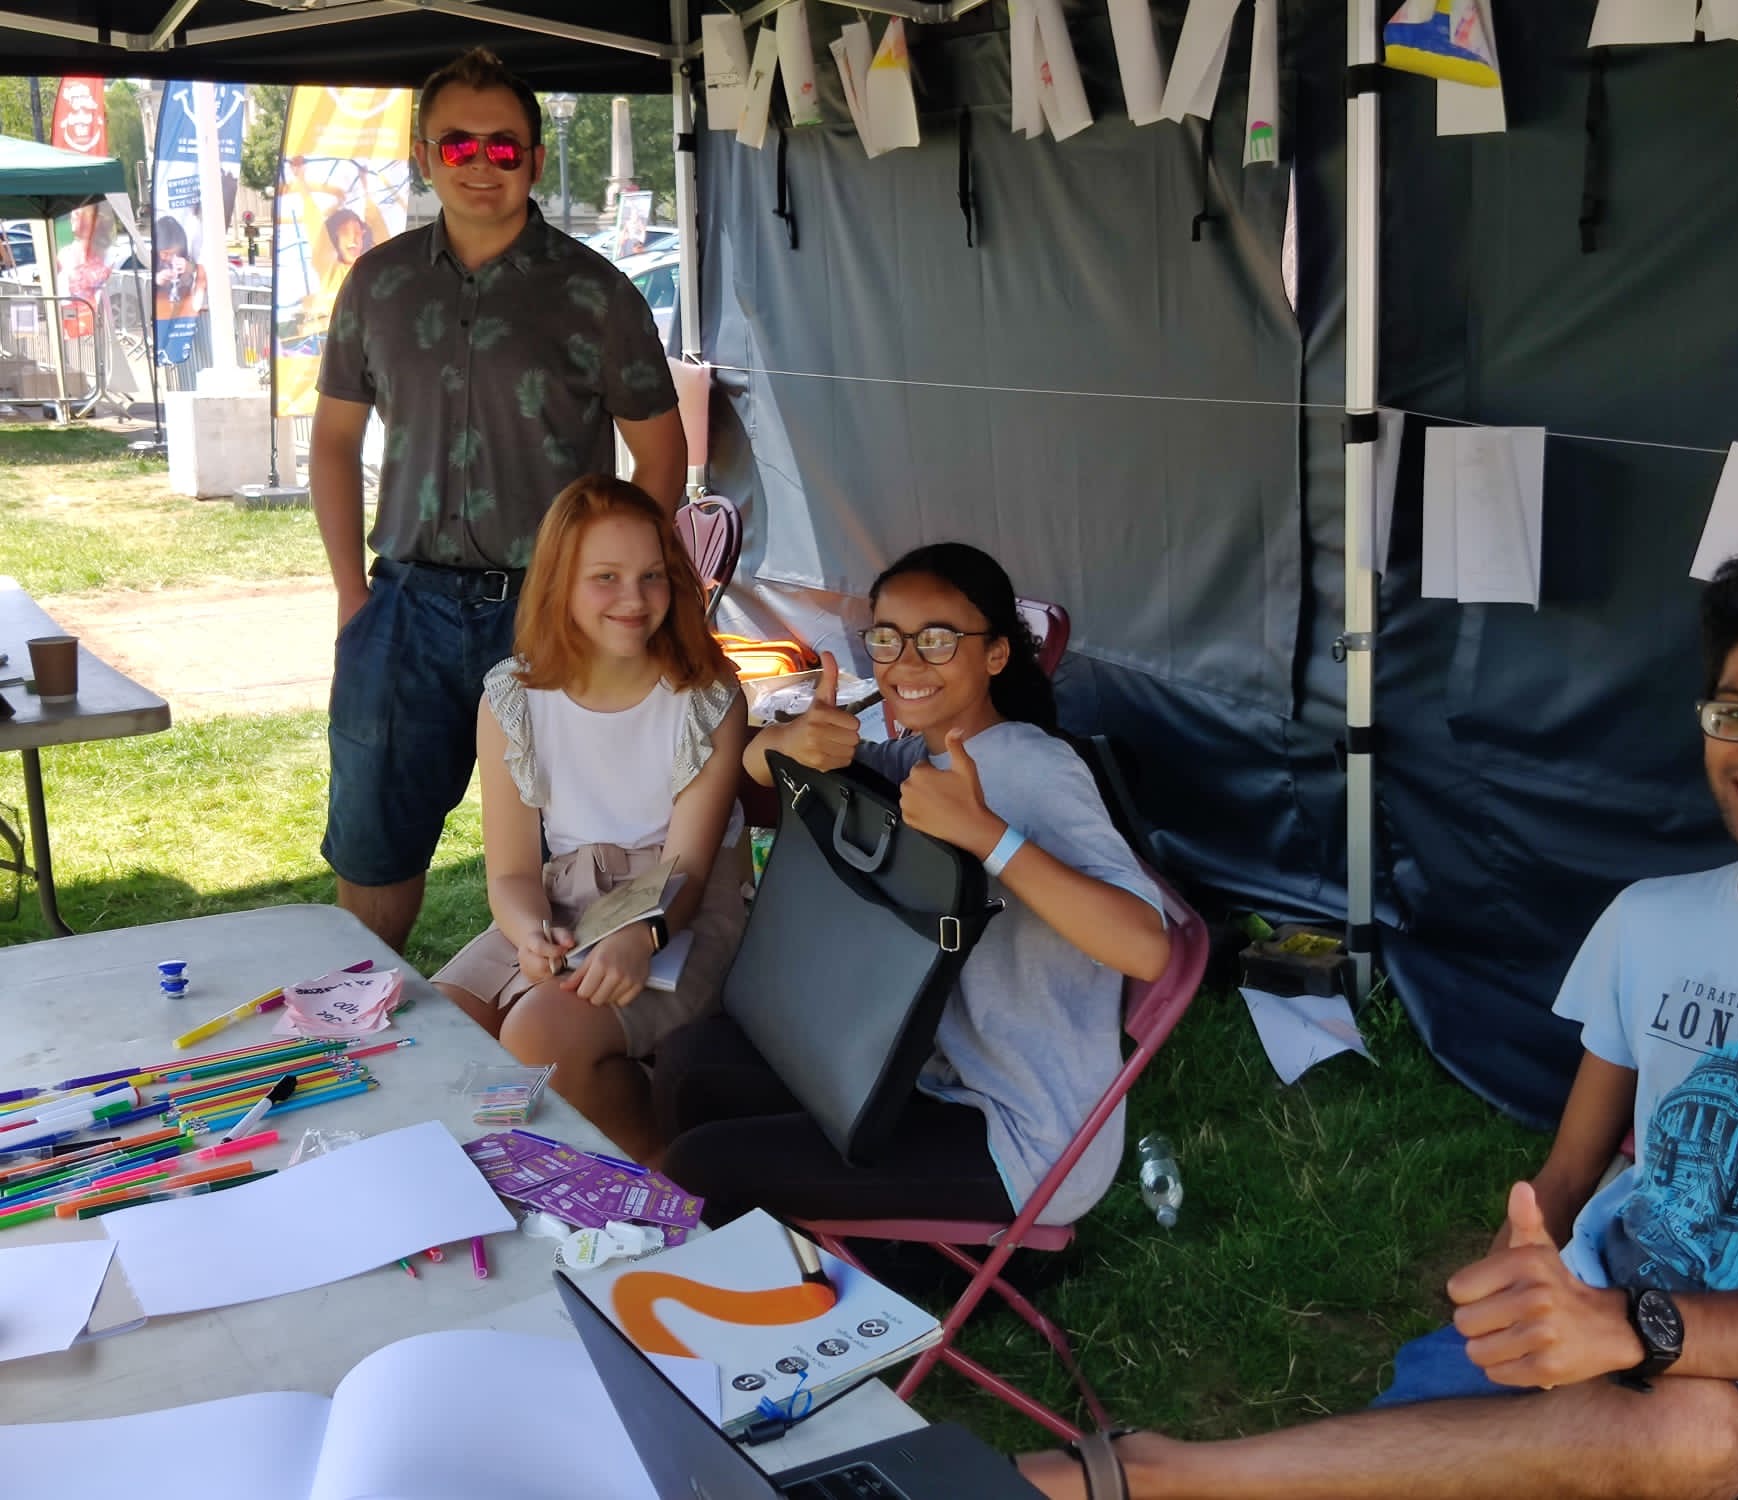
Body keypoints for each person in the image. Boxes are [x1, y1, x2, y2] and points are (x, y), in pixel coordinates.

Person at [1020, 528, 1738, 1500]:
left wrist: (1625, 1328)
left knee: (1687, 1423)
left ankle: (1157, 1477)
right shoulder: (1649, 922)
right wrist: (1510, 1285)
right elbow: (1570, 1171)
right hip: (1579, 1333)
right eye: (1737, 713)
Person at [649, 541, 1170, 1225]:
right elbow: (760, 771)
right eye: (889, 639)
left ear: (995, 655)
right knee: (690, 1061)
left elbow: (1146, 949)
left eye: (937, 640)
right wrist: (788, 742)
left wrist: (990, 838)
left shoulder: (1037, 770)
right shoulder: (915, 757)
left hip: (1022, 1136)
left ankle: (817, 1301)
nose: (906, 664)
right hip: (916, 1067)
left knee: (702, 1169)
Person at [311, 46, 688, 954]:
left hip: (552, 611)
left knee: (579, 850)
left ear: (536, 158)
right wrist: (351, 599)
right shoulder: (379, 284)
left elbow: (662, 455)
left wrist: (611, 589)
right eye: (459, 145)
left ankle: (554, 1044)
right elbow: (331, 441)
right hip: (403, 606)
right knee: (374, 853)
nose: (482, 164)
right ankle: (357, 1041)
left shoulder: (597, 294)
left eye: (505, 147)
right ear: (424, 154)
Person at [432, 475, 749, 1165]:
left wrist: (641, 936)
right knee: (436, 1034)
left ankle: (664, 1177)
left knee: (539, 1033)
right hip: (567, 898)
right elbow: (514, 873)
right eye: (605, 577)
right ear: (559, 585)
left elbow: (689, 873)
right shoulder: (512, 698)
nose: (634, 599)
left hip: (678, 909)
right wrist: (529, 935)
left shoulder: (706, 699)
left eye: (652, 576)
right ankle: (519, 1174)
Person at [151, 215, 206, 320]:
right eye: (166, 253)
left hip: (183, 315)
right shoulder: (151, 261)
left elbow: (199, 282)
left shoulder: (187, 261)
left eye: (175, 253)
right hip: (161, 316)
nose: (170, 258)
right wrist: (156, 279)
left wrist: (189, 269)